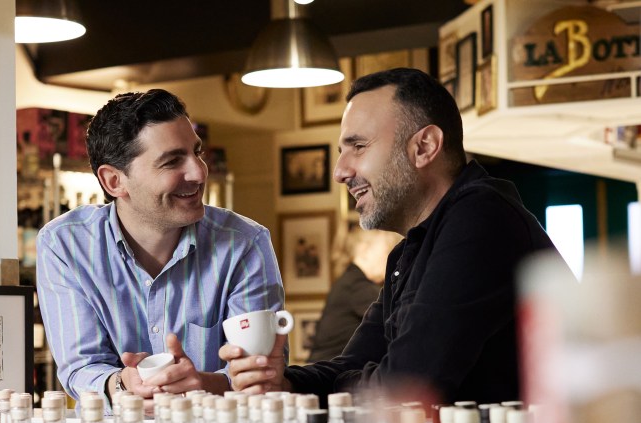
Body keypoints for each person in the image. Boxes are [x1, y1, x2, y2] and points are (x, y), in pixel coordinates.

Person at [220, 68, 565, 405]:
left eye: (358, 146)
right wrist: (285, 382)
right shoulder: (407, 252)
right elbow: (355, 364)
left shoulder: (481, 218)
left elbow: (407, 386)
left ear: (424, 147)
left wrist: (332, 386)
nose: (341, 171)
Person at [36, 89, 284, 408]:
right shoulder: (65, 244)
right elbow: (81, 367)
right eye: (172, 161)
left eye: (197, 153)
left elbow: (261, 374)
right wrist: (121, 385)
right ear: (114, 182)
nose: (198, 172)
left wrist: (203, 385)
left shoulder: (245, 243)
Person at [306, 227, 400, 362]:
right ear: (364, 250)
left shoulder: (350, 280)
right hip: (328, 377)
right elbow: (397, 319)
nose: (391, 259)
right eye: (387, 252)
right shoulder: (357, 286)